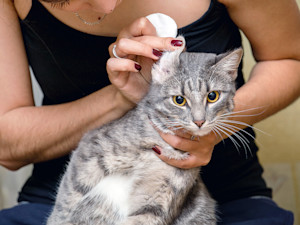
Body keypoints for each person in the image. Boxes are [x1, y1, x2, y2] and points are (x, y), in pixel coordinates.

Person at [0, 0, 299, 224]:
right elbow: (7, 144)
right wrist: (124, 98)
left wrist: (210, 130)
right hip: (74, 196)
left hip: (226, 197)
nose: (107, 5)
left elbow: (291, 60)